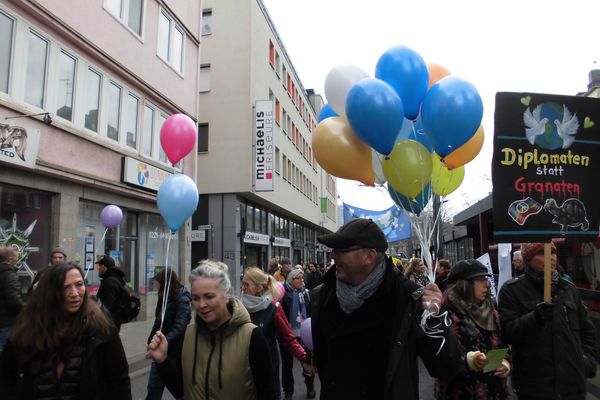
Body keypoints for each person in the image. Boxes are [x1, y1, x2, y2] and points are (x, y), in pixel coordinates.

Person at [312, 218, 461, 399]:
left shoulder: (408, 297)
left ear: (369, 256)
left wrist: (434, 319)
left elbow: (446, 366)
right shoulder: (322, 295)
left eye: (341, 250)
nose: (333, 255)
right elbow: (324, 362)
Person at [0, 262, 131, 399]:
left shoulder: (102, 329)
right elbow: (7, 381)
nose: (74, 294)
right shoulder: (26, 331)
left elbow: (119, 381)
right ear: (49, 292)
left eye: (79, 285)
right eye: (65, 287)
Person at [147, 260, 276, 400]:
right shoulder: (188, 336)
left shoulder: (251, 336)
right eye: (196, 298)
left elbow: (268, 393)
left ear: (227, 294)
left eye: (209, 296)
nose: (201, 305)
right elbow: (180, 390)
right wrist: (162, 361)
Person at [499, 242, 597, 400]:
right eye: (542, 253)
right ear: (528, 259)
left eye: (553, 252)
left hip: (572, 386)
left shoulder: (569, 289)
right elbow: (507, 333)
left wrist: (586, 361)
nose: (551, 257)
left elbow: (587, 330)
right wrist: (534, 318)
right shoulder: (512, 291)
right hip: (535, 387)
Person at [434, 259, 511, 399]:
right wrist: (468, 362)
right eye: (480, 280)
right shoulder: (443, 313)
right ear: (464, 284)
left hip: (494, 391)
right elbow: (438, 360)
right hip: (461, 392)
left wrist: (505, 363)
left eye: (486, 279)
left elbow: (502, 345)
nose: (487, 285)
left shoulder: (491, 310)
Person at [241, 267, 313, 400]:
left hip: (266, 374)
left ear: (259, 287)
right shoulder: (238, 307)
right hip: (242, 375)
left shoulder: (273, 308)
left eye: (246, 284)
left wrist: (305, 359)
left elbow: (288, 339)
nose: (243, 288)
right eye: (242, 283)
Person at [146, 269, 191, 400]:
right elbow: (158, 322)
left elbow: (180, 326)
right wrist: (150, 341)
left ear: (164, 282)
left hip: (175, 351)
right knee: (154, 387)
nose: (155, 285)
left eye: (157, 282)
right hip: (160, 349)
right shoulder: (163, 297)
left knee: (178, 387)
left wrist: (164, 341)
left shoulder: (182, 299)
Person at [280, 268, 314, 399]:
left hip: (305, 334)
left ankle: (310, 386)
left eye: (302, 278)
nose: (301, 280)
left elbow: (311, 312)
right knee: (287, 364)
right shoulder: (284, 295)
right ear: (290, 280)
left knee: (306, 360)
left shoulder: (306, 293)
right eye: (298, 278)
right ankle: (288, 391)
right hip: (287, 334)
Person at [0, 247, 23, 352]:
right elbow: (14, 302)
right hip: (7, 323)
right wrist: (28, 308)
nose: (17, 259)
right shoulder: (10, 276)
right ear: (9, 258)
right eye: (16, 256)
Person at [96, 255, 126, 330]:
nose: (98, 268)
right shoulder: (116, 278)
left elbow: (107, 307)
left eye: (100, 266)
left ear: (104, 267)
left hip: (108, 323)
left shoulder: (109, 282)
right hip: (114, 322)